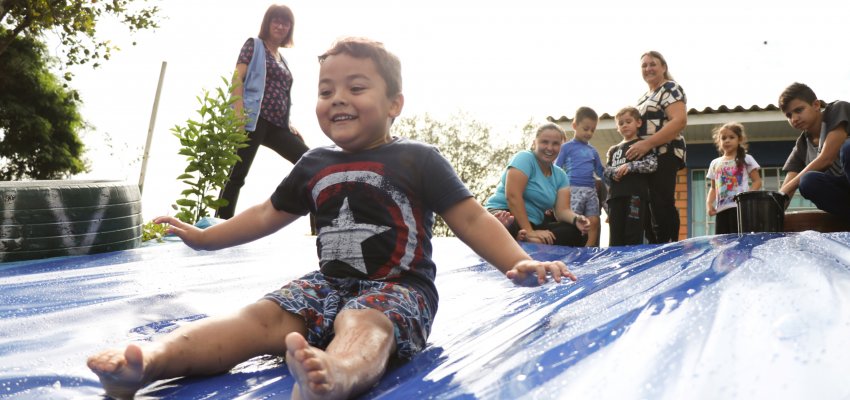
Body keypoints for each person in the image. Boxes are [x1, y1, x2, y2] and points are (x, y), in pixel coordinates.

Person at [86, 37, 578, 400]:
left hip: (398, 286)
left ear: (394, 105)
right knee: (259, 317)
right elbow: (265, 213)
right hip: (327, 282)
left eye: (355, 87)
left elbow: (470, 218)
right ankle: (149, 363)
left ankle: (336, 374)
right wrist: (205, 237)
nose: (337, 98)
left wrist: (518, 261)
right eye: (326, 90)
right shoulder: (314, 163)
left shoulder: (418, 158)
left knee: (365, 321)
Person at [216, 4, 310, 219]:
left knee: (308, 160)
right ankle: (220, 223)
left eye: (285, 23)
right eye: (276, 21)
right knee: (237, 175)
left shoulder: (282, 59)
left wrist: (288, 123)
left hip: (278, 126)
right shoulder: (254, 45)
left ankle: (316, 222)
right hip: (253, 120)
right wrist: (238, 114)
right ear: (267, 23)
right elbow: (237, 78)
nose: (280, 26)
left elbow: (279, 93)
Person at [485, 123, 590, 246]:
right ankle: (516, 234)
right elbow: (513, 196)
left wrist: (576, 219)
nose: (550, 148)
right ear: (534, 143)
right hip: (505, 213)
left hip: (534, 224)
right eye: (544, 142)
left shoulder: (561, 175)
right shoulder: (524, 158)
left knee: (577, 232)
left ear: (561, 146)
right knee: (507, 223)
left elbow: (562, 211)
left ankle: (525, 239)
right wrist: (529, 232)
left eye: (555, 144)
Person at [625, 51, 688, 243]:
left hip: (665, 153)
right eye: (644, 65)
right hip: (645, 159)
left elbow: (679, 120)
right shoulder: (643, 98)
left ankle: (668, 246)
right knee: (647, 206)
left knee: (661, 202)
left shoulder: (670, 88)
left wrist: (648, 143)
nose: (648, 68)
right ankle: (654, 245)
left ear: (663, 67)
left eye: (652, 64)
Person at [778, 82, 850, 222]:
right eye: (789, 115)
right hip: (845, 194)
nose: (794, 119)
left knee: (848, 149)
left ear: (816, 105)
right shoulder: (802, 146)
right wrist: (772, 209)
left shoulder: (837, 110)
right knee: (807, 181)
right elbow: (787, 189)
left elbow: (826, 158)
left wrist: (784, 191)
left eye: (799, 110)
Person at [604, 106, 657, 246]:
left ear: (638, 123)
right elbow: (606, 170)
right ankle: (616, 266)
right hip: (615, 199)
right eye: (621, 123)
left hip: (636, 198)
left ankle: (632, 265)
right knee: (615, 237)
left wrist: (630, 166)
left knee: (633, 235)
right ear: (617, 127)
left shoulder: (643, 145)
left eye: (628, 121)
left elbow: (652, 164)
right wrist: (613, 173)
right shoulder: (613, 150)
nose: (624, 125)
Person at [554, 106, 605, 247]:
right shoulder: (566, 147)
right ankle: (571, 247)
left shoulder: (593, 151)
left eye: (592, 130)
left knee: (594, 220)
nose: (589, 133)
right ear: (575, 126)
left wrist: (612, 181)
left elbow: (601, 172)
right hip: (572, 189)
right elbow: (556, 169)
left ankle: (589, 249)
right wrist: (554, 191)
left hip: (590, 190)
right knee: (573, 220)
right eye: (586, 128)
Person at [706, 122, 762, 234]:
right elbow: (713, 188)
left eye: (731, 137)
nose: (727, 140)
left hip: (740, 209)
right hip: (721, 210)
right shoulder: (715, 163)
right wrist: (709, 203)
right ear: (719, 141)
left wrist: (747, 197)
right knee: (723, 243)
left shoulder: (747, 158)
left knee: (740, 240)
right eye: (723, 138)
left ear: (739, 139)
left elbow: (757, 181)